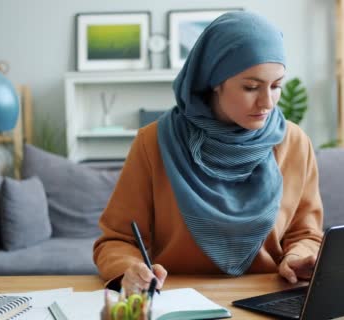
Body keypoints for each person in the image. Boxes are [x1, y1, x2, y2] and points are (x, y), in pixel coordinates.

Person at [93, 11, 323, 293]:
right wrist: (129, 270)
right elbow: (116, 240)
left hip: (266, 297)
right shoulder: (154, 142)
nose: (267, 102)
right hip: (177, 300)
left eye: (276, 86)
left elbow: (306, 232)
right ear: (215, 80)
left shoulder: (294, 142)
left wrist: (297, 257)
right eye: (251, 87)